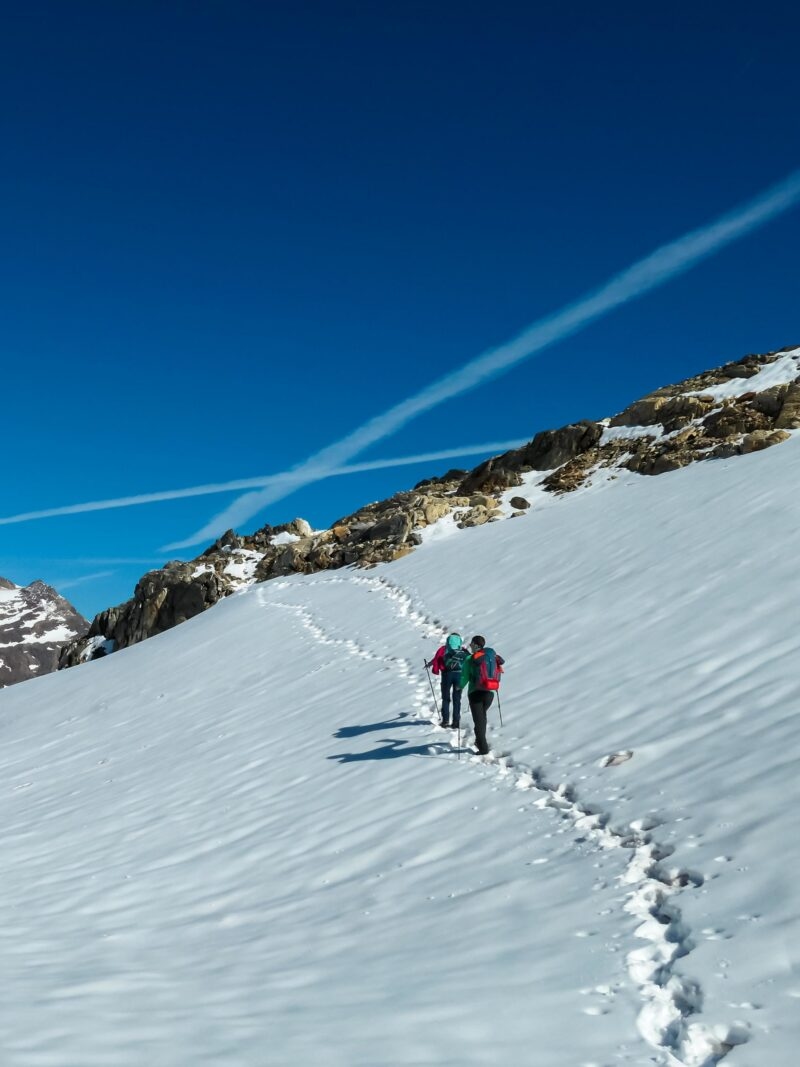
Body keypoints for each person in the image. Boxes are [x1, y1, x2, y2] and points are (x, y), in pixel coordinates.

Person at [459, 635, 505, 755]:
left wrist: (459, 687)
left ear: (475, 645)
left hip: (475, 693)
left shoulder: (471, 659)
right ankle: (479, 741)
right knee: (481, 719)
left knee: (479, 721)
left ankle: (483, 748)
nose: (470, 646)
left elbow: (465, 676)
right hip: (490, 693)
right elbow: (499, 671)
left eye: (471, 644)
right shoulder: (491, 656)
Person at [426, 633, 468, 728]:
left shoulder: (443, 649)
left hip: (446, 675)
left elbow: (437, 659)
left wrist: (430, 664)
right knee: (457, 699)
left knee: (446, 698)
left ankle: (445, 721)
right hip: (459, 675)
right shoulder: (463, 650)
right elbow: (469, 661)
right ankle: (456, 722)